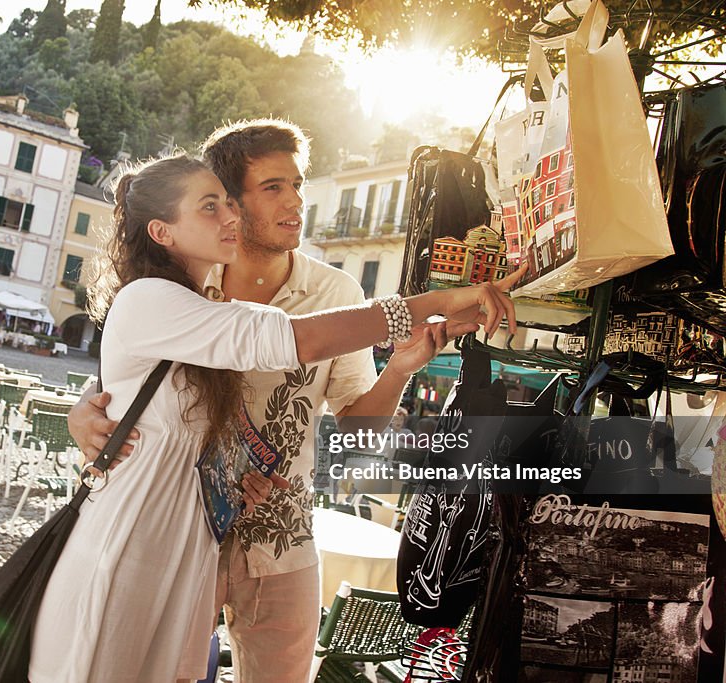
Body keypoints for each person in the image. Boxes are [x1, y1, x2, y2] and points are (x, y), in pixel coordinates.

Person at [28, 154, 519, 682]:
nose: (289, 201)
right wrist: (438, 299)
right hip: (135, 544)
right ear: (162, 230)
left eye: (297, 184)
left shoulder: (218, 301)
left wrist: (235, 476)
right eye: (215, 204)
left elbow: (172, 412)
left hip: (208, 541)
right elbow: (292, 339)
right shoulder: (157, 297)